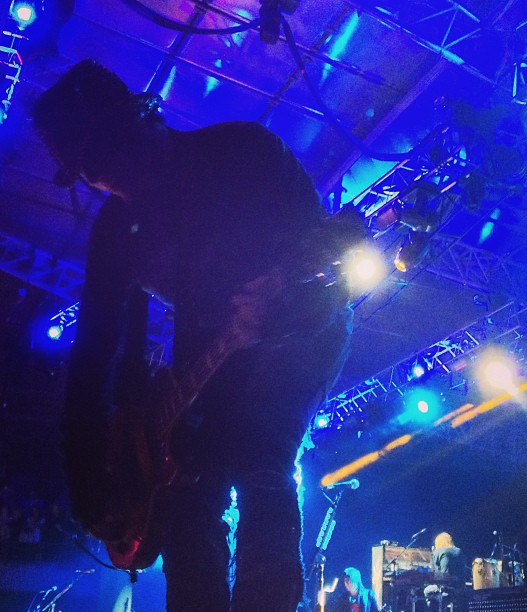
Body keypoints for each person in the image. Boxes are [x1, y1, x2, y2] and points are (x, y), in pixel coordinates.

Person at [32, 59, 362, 611]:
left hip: (301, 332)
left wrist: (281, 311)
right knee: (188, 500)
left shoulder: (243, 153)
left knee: (261, 460)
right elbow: (92, 356)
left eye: (104, 156)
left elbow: (325, 272)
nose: (103, 179)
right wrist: (90, 482)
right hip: (210, 350)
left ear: (139, 121)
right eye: (86, 171)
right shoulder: (115, 230)